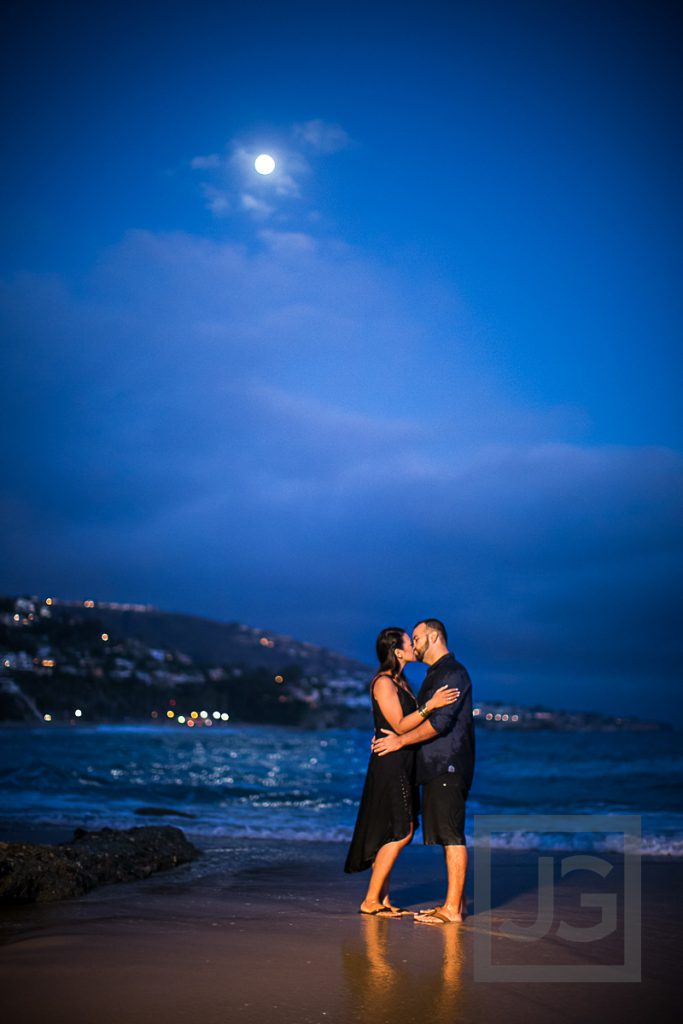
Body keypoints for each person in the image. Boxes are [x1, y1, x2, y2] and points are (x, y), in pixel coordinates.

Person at [344, 626, 460, 916]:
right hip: (391, 763)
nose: (414, 647)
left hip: (402, 760)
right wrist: (430, 706)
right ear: (397, 652)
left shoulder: (402, 681)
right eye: (409, 642)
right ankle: (370, 900)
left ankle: (382, 899)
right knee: (402, 831)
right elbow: (398, 725)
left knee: (391, 830)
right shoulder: (384, 682)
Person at [373, 618, 474, 925]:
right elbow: (411, 717)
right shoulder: (435, 674)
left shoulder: (452, 673)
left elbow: (440, 723)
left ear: (432, 636)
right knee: (446, 835)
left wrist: (399, 741)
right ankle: (455, 904)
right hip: (436, 766)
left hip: (448, 764)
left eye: (415, 638)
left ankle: (452, 909)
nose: (412, 645)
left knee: (452, 836)